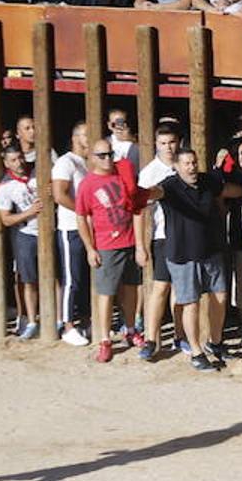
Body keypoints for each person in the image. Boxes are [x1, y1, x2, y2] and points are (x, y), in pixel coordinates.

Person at [144, 147, 242, 371]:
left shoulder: (208, 181)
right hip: (183, 254)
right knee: (191, 303)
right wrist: (137, 192)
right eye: (186, 164)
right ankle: (196, 352)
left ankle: (215, 343)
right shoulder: (170, 185)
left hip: (212, 250)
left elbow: (228, 190)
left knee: (220, 297)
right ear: (177, 167)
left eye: (194, 162)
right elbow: (154, 193)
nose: (191, 167)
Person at [75, 138, 146, 364]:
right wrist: (90, 248)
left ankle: (131, 328)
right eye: (102, 155)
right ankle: (105, 339)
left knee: (132, 289)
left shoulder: (123, 174)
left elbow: (137, 208)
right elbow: (82, 217)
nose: (108, 159)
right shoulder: (87, 184)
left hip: (129, 241)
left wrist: (140, 245)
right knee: (106, 293)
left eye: (110, 154)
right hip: (106, 245)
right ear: (93, 158)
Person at [137, 122, 184, 359]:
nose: (168, 147)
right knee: (160, 287)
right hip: (163, 237)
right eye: (163, 143)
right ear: (156, 144)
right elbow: (139, 211)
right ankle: (151, 338)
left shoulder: (185, 166)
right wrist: (140, 246)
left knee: (182, 289)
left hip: (185, 235)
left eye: (172, 142)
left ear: (179, 142)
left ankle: (180, 336)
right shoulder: (149, 172)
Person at [0, 145, 43, 341]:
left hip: (48, 231)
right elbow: (5, 219)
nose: (19, 163)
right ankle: (31, 321)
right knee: (28, 280)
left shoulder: (38, 172)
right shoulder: (5, 186)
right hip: (25, 234)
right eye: (13, 160)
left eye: (20, 158)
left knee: (55, 278)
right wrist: (28, 213)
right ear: (6, 163)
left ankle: (56, 320)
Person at [51, 123, 92, 347]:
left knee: (84, 277)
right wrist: (82, 212)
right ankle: (67, 325)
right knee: (71, 278)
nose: (90, 138)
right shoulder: (65, 162)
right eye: (86, 134)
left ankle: (85, 320)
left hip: (87, 226)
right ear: (76, 137)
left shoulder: (86, 163)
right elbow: (59, 194)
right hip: (70, 227)